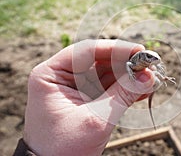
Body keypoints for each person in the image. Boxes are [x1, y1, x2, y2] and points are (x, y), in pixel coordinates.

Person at [13, 39, 155, 156]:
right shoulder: (134, 61)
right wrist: (129, 83)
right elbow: (128, 64)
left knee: (155, 79)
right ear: (142, 57)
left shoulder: (145, 61)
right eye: (149, 57)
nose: (153, 60)